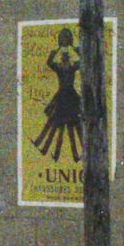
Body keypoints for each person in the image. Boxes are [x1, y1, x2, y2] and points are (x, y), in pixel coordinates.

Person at [32, 28, 83, 163]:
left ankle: (71, 153)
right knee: (61, 126)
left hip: (67, 97)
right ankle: (52, 150)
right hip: (65, 97)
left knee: (66, 126)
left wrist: (71, 49)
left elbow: (81, 62)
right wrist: (59, 50)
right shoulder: (65, 68)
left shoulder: (67, 67)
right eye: (64, 58)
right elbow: (49, 63)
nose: (65, 59)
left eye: (66, 58)